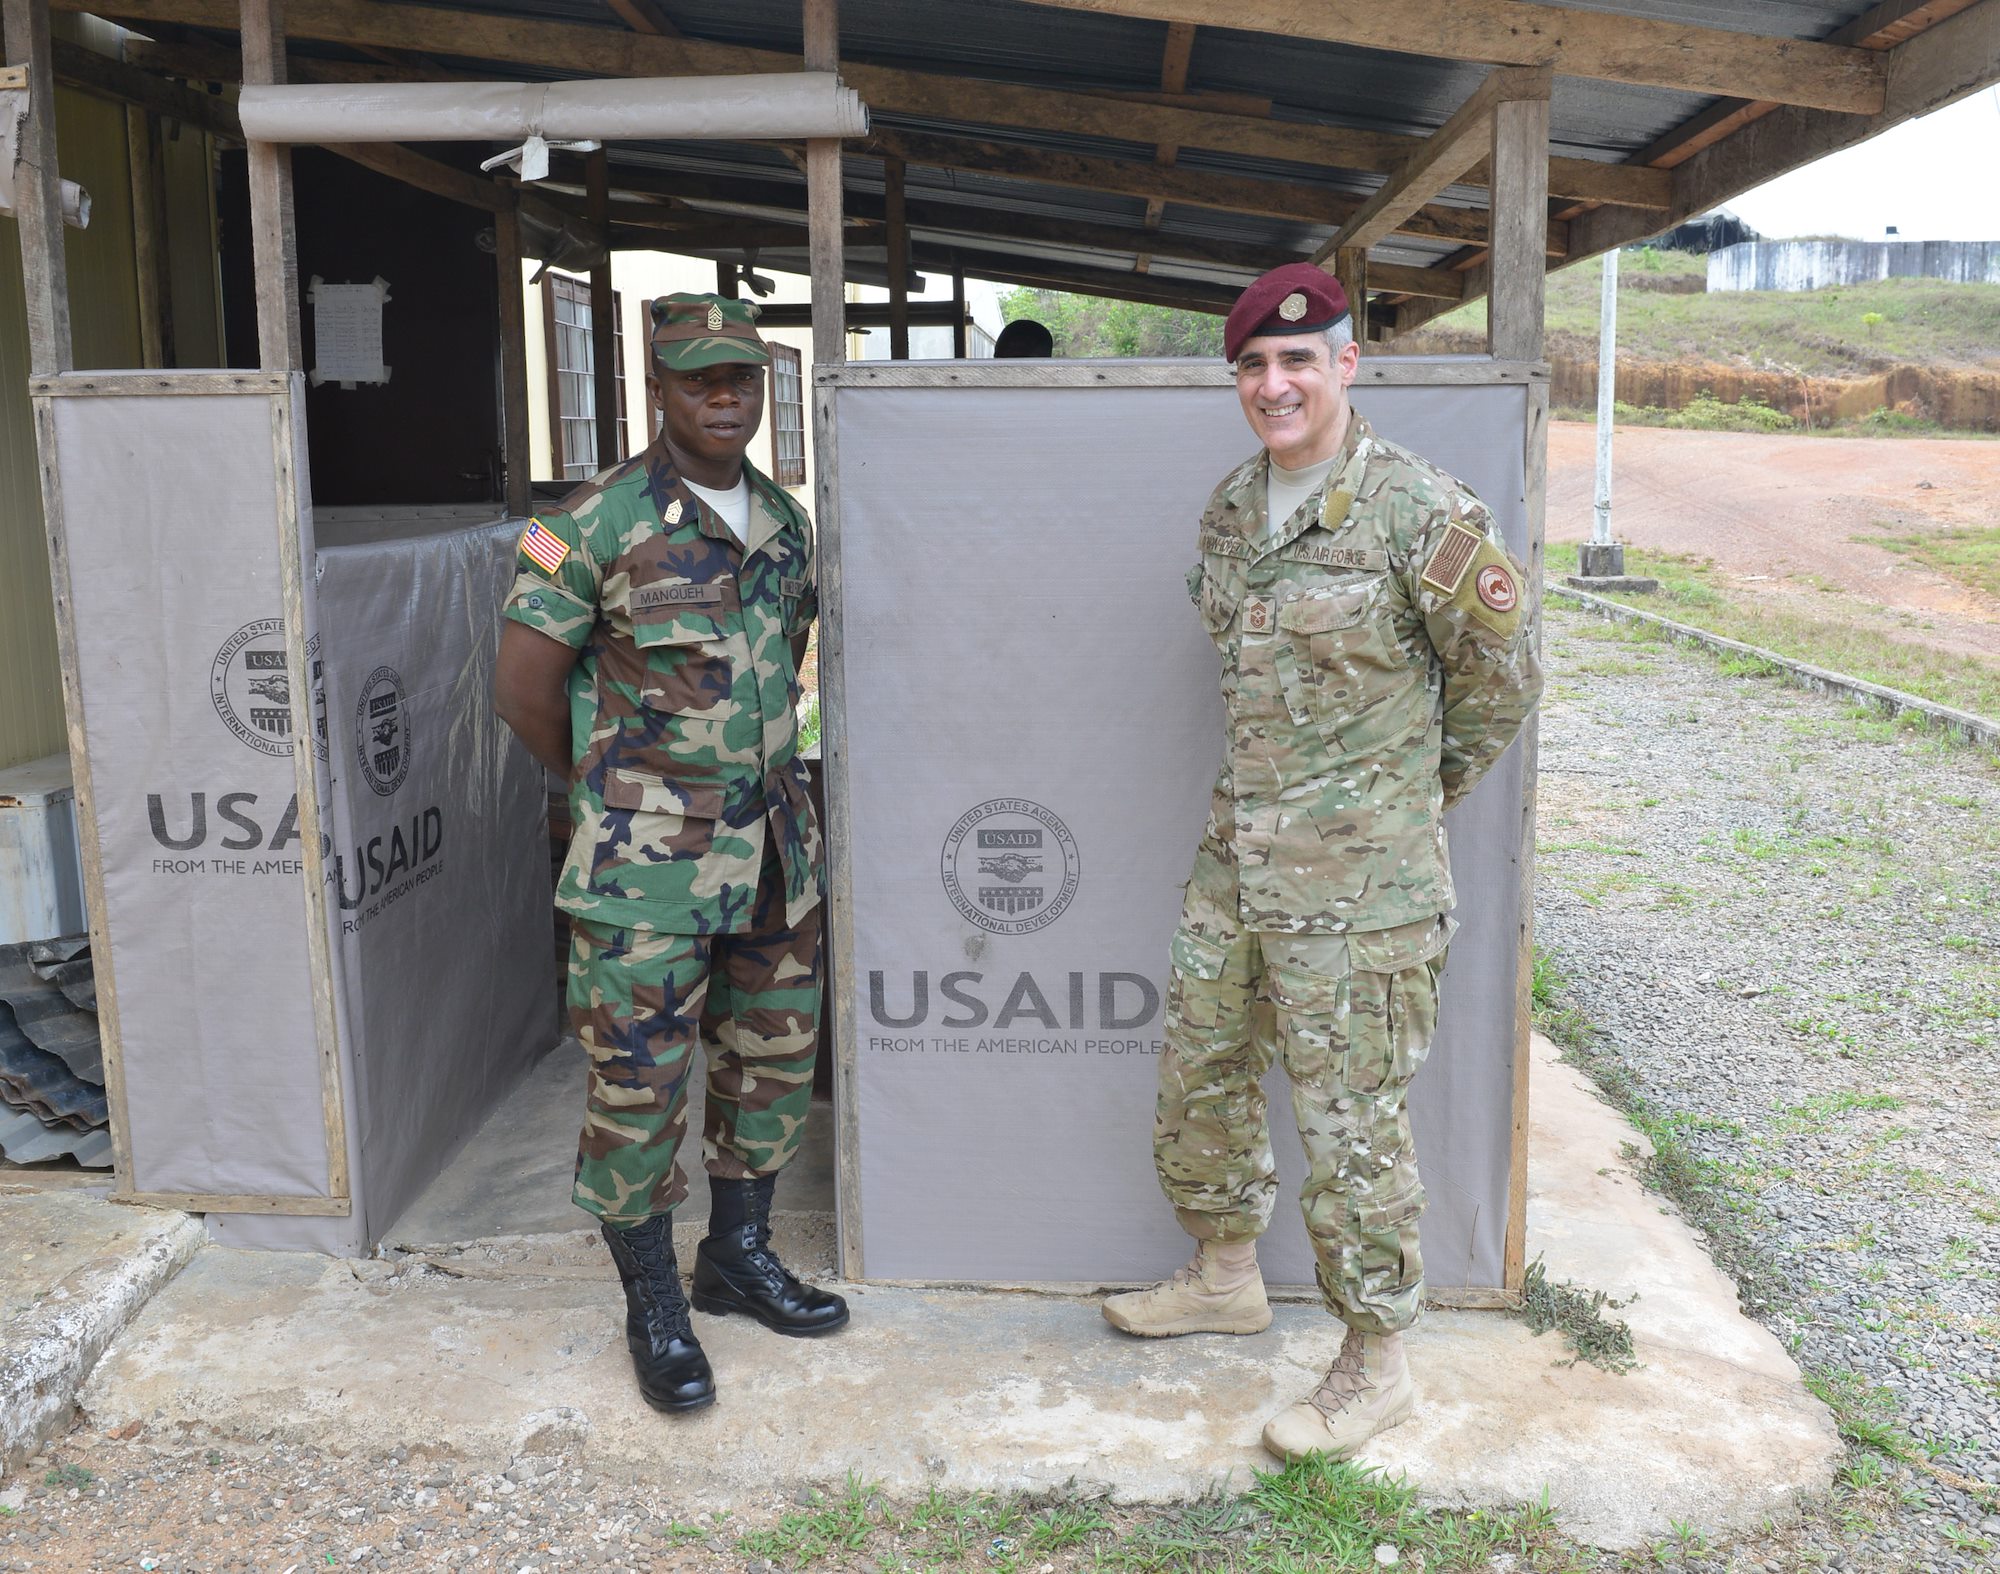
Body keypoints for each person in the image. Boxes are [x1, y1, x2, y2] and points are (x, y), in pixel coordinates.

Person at [1100, 263, 1543, 1462]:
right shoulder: (1233, 509)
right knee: (1199, 1071)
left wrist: (1396, 804)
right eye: (1252, 364)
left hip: (1360, 888)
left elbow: (1501, 682)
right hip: (1236, 860)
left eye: (1297, 359)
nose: (1273, 382)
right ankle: (1223, 1273)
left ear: (1346, 363)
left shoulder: (1419, 511)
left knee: (1352, 1124)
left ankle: (1375, 1360)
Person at [494, 292, 845, 1416]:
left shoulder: (784, 521)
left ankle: (736, 1257)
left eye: (741, 377)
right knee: (637, 1086)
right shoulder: (584, 524)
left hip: (776, 853)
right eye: (700, 379)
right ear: (659, 389)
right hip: (644, 867)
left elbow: (785, 662)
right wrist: (616, 793)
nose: (724, 397)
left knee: (768, 1064)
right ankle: (653, 1303)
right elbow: (522, 689)